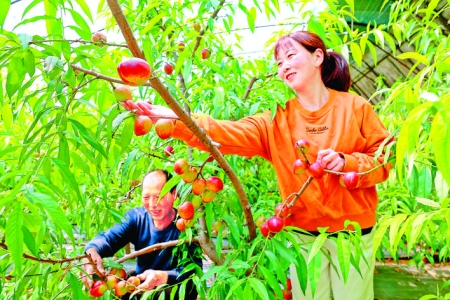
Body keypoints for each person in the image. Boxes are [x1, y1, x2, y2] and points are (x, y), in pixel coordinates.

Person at [121, 31, 393, 300]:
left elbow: (384, 159)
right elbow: (223, 132)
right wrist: (174, 116)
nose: (283, 65)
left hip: (353, 232)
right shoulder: (276, 120)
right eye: (278, 63)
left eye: (290, 56)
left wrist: (348, 163)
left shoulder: (355, 108)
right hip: (300, 235)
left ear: (317, 57)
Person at [81, 169, 202, 299]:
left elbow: (193, 274)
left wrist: (163, 277)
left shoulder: (186, 226)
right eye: (146, 197)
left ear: (174, 194)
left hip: (174, 292)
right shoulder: (137, 218)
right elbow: (108, 238)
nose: (152, 204)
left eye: (158, 197)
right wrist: (92, 250)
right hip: (141, 288)